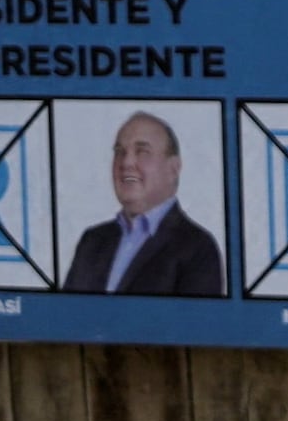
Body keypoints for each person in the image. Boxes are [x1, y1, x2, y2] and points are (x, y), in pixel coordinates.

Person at [59, 111, 224, 296]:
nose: (126, 162)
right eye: (120, 152)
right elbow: (65, 316)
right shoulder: (92, 241)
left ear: (173, 169)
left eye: (143, 152)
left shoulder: (197, 249)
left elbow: (196, 324)